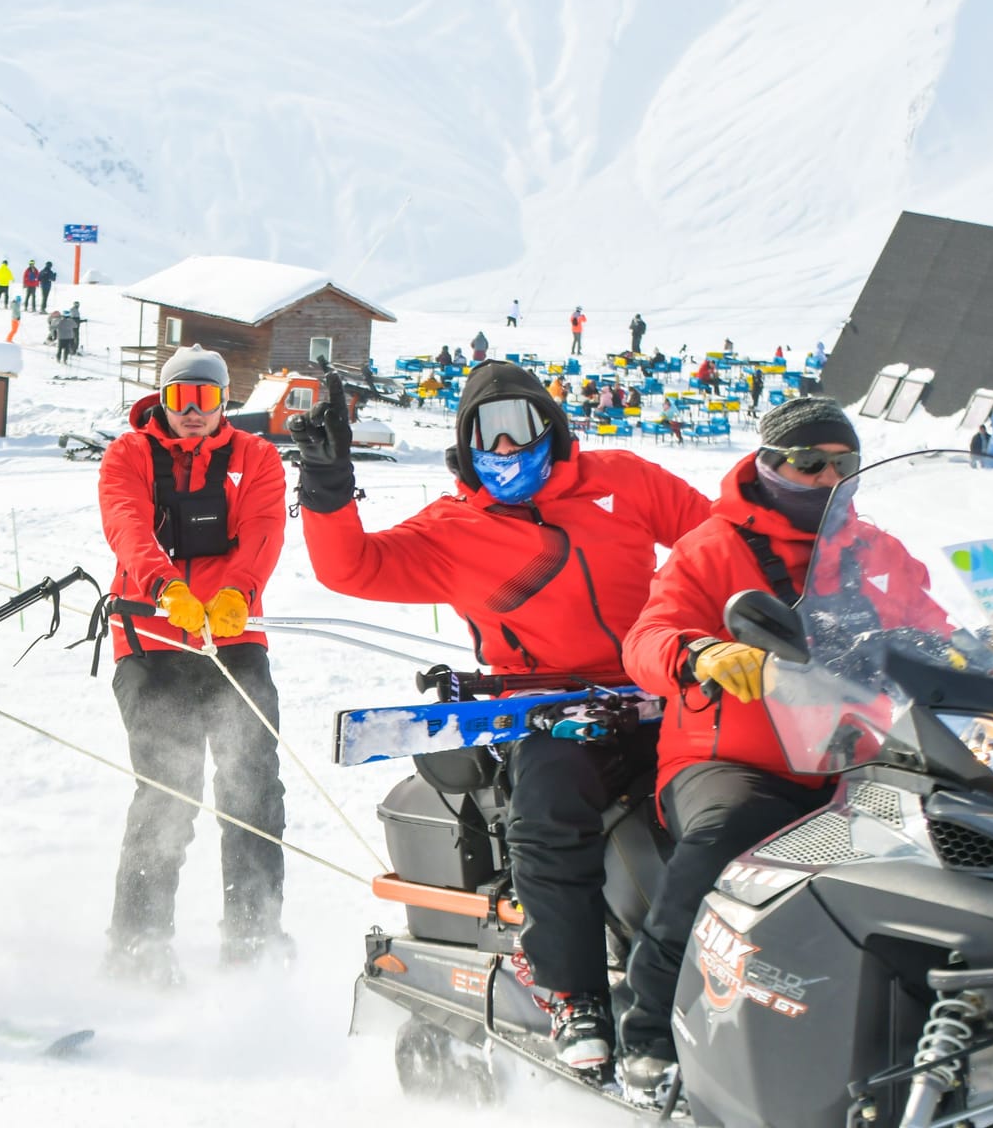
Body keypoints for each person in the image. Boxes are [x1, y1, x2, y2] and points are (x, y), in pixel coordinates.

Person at [290, 361, 710, 1074]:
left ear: (552, 427)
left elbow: (718, 542)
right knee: (548, 807)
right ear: (465, 444)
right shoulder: (454, 528)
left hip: (659, 687)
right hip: (545, 714)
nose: (507, 450)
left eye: (521, 426)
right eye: (488, 433)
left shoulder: (623, 482)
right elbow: (351, 568)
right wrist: (328, 484)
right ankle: (574, 993)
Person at [617, 398, 941, 1098]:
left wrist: (983, 654)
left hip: (862, 757)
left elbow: (935, 627)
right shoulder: (712, 547)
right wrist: (699, 652)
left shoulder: (881, 553)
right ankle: (648, 1031)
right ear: (769, 464)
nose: (828, 478)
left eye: (843, 464)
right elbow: (645, 639)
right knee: (727, 835)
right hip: (735, 761)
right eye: (808, 462)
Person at [97, 345, 290, 985]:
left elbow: (263, 529)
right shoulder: (128, 455)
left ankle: (253, 936)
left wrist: (238, 592)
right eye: (181, 398)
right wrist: (162, 589)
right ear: (164, 399)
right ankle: (137, 949)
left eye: (206, 399)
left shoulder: (256, 457)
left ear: (224, 402)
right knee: (169, 791)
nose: (193, 413)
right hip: (152, 641)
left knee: (253, 788)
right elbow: (126, 523)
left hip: (234, 637)